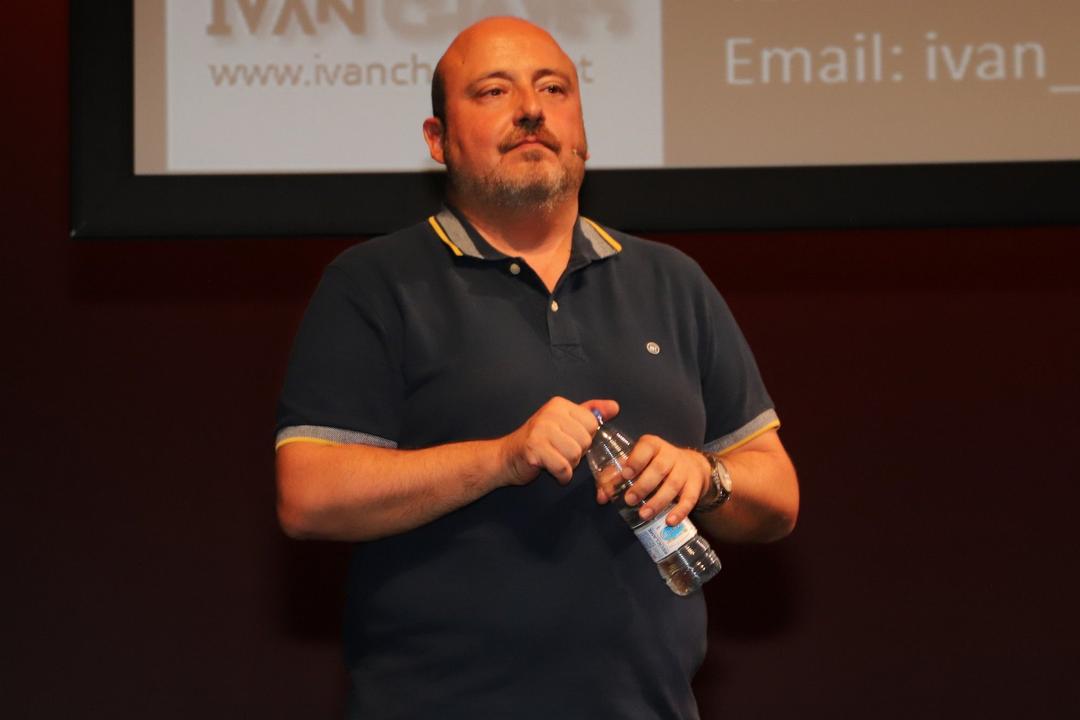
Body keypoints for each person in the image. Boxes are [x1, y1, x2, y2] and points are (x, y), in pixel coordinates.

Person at [275, 16, 799, 719]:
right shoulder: (374, 283)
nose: (531, 109)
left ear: (582, 130)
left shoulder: (672, 281)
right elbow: (308, 495)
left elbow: (776, 492)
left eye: (554, 88)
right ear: (437, 139)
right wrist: (502, 458)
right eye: (494, 91)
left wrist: (704, 477)